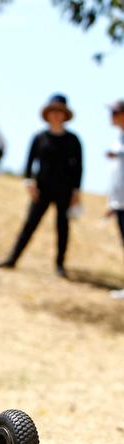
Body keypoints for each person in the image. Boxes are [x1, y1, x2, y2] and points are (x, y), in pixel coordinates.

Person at [0, 94, 82, 278]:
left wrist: (76, 191)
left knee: (62, 227)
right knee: (29, 225)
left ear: (65, 115)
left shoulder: (73, 140)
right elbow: (29, 163)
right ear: (48, 114)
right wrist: (29, 182)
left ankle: (60, 265)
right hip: (42, 189)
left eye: (60, 112)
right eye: (54, 111)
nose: (57, 115)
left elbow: (79, 167)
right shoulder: (39, 137)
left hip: (64, 191)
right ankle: (12, 259)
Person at [105, 100, 124, 299]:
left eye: (114, 112)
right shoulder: (119, 137)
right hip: (120, 201)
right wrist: (112, 202)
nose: (111, 116)